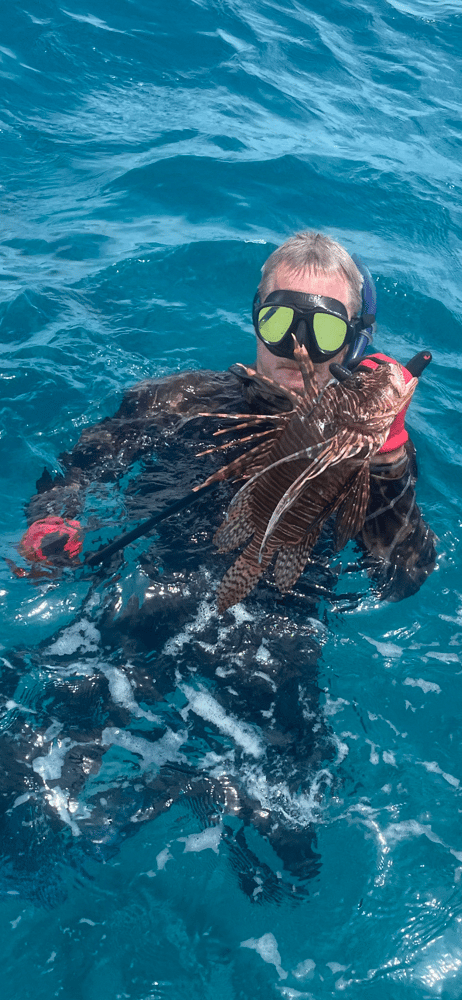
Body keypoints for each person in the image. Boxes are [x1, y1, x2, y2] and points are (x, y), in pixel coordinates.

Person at [7, 231, 436, 904]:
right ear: (254, 315)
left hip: (277, 639)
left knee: (292, 864)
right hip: (146, 605)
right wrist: (55, 518)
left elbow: (402, 575)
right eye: (280, 317)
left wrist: (388, 456)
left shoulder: (372, 457)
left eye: (323, 326)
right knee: (20, 792)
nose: (298, 346)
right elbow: (84, 465)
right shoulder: (178, 399)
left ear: (357, 339)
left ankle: (179, 788)